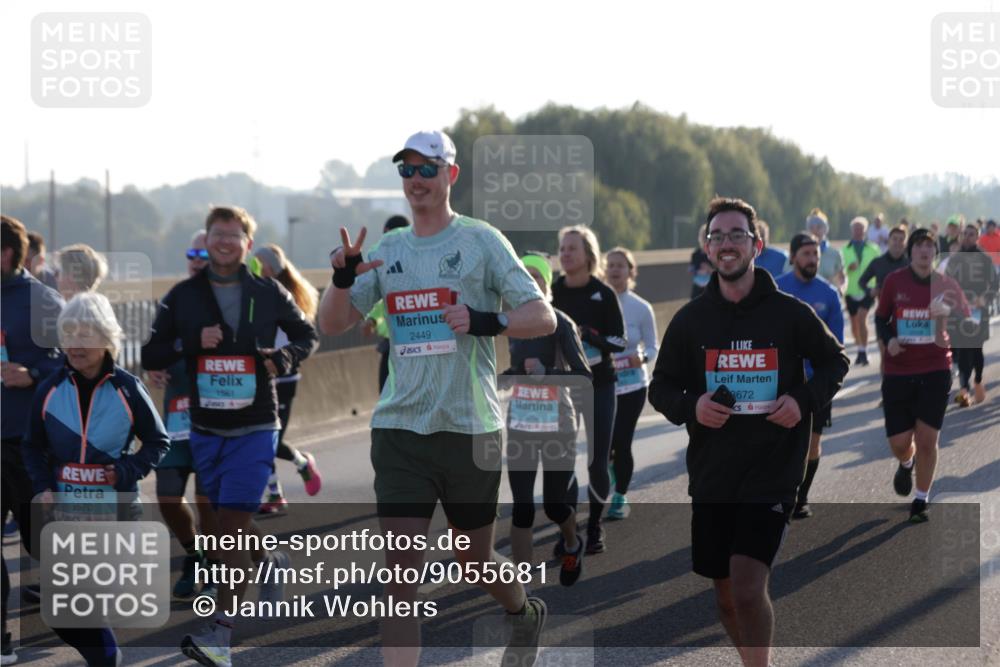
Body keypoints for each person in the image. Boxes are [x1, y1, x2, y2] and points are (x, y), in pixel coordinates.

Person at [318, 129, 556, 667]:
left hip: (470, 427)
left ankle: (522, 612)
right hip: (401, 429)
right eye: (407, 170)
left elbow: (540, 315)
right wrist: (340, 276)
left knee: (472, 561)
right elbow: (331, 323)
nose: (417, 180)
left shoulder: (482, 240)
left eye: (428, 169)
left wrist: (484, 320)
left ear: (450, 175)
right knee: (401, 577)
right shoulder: (388, 250)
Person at [648, 197, 848, 667]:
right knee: (724, 597)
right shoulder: (691, 320)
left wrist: (801, 402)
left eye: (736, 234)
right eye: (716, 236)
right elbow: (660, 388)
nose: (726, 244)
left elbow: (834, 361)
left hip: (773, 466)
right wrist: (692, 406)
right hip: (714, 472)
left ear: (757, 245)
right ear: (707, 249)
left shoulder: (789, 313)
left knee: (746, 583)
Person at [142, 205, 318, 667]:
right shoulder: (183, 296)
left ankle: (220, 636)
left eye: (233, 235)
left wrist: (282, 360)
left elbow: (307, 335)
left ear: (246, 242)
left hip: (257, 425)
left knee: (232, 529)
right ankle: (271, 560)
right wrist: (191, 342)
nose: (224, 242)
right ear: (208, 239)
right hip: (205, 428)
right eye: (217, 234)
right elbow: (152, 350)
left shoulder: (267, 290)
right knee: (220, 531)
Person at [21, 291, 170, 666]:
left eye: (83, 334)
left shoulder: (127, 388)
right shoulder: (51, 388)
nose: (73, 343)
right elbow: (31, 447)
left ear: (106, 338)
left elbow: (157, 441)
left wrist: (125, 471)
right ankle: (107, 659)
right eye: (67, 333)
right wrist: (42, 487)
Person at [500, 253, 592, 587]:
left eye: (536, 277)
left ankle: (571, 542)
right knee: (522, 507)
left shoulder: (560, 322)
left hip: (558, 424)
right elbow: (515, 370)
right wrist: (505, 378)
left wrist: (546, 374)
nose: (530, 282)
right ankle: (520, 588)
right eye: (524, 276)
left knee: (554, 506)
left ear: (545, 284)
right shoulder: (512, 325)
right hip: (522, 423)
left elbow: (583, 376)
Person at [1, 215, 64, 666]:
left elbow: (77, 361)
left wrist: (34, 374)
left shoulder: (42, 301)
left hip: (27, 444)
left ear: (11, 253)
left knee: (41, 540)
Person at [875, 228, 971, 523]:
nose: (924, 251)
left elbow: (969, 322)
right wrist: (889, 338)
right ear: (911, 251)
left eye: (930, 246)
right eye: (919, 245)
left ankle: (921, 499)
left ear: (935, 252)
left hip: (935, 368)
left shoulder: (946, 284)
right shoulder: (894, 281)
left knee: (928, 439)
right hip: (899, 370)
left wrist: (948, 313)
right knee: (900, 442)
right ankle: (906, 462)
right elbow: (880, 319)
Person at [145, 230, 220, 600]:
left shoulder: (232, 300)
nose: (196, 259)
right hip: (177, 416)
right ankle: (196, 554)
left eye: (204, 253)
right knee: (168, 498)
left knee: (214, 508)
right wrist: (153, 368)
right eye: (191, 253)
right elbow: (153, 348)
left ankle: (254, 557)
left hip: (219, 419)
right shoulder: (174, 300)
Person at [552, 226, 627, 555]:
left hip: (600, 383)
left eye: (572, 248)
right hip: (564, 387)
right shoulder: (553, 292)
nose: (565, 254)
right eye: (562, 248)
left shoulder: (604, 293)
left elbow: (620, 341)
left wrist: (588, 335)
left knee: (598, 461)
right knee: (562, 462)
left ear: (588, 255)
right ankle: (567, 529)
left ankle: (594, 526)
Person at [776, 234, 845, 519]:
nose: (812, 260)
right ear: (793, 257)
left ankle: (801, 496)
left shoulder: (829, 294)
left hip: (816, 385)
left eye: (815, 254)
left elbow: (837, 346)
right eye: (806, 254)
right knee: (778, 442)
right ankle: (778, 494)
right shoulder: (777, 289)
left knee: (812, 444)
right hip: (780, 382)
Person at [253, 243, 323, 513]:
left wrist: (283, 357)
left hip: (286, 379)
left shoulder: (285, 297)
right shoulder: (254, 294)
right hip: (262, 378)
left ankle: (303, 463)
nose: (252, 267)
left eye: (257, 263)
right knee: (263, 437)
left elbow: (304, 338)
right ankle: (274, 494)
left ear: (269, 267)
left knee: (273, 440)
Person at [604, 247, 658, 520]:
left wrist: (643, 357)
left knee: (622, 441)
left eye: (620, 265)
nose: (615, 269)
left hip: (634, 386)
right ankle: (615, 477)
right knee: (607, 444)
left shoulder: (640, 307)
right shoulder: (597, 303)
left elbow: (653, 346)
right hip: (603, 386)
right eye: (610, 265)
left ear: (630, 271)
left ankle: (620, 495)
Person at [946, 223, 998, 406]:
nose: (967, 237)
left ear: (977, 237)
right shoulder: (955, 259)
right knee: (961, 349)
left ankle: (978, 380)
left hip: (978, 310)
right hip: (959, 311)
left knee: (976, 349)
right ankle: (964, 390)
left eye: (971, 234)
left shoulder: (984, 258)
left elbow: (994, 283)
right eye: (965, 234)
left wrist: (984, 298)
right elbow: (946, 282)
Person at [363, 215, 412, 394]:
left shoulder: (421, 259)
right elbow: (385, 298)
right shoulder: (383, 261)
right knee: (386, 394)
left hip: (421, 342)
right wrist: (373, 320)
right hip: (392, 344)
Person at [858, 225, 910, 375]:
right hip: (884, 316)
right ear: (888, 241)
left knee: (905, 358)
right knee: (885, 356)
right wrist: (870, 291)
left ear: (905, 243)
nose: (898, 242)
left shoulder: (910, 264)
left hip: (906, 316)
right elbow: (862, 281)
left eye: (901, 240)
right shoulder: (878, 262)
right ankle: (887, 394)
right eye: (895, 239)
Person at [841, 217, 880, 366]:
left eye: (861, 229)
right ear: (852, 231)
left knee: (862, 318)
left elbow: (879, 269)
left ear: (865, 231)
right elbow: (839, 270)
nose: (858, 231)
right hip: (850, 290)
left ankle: (863, 352)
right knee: (854, 323)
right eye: (855, 229)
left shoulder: (873, 249)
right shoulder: (844, 250)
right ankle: (859, 348)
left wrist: (877, 287)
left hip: (868, 290)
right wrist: (848, 268)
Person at [806, 208, 845, 292]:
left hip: (827, 300)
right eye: (812, 227)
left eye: (819, 226)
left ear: (825, 229)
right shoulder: (800, 252)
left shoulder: (835, 253)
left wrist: (841, 289)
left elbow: (842, 277)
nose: (815, 230)